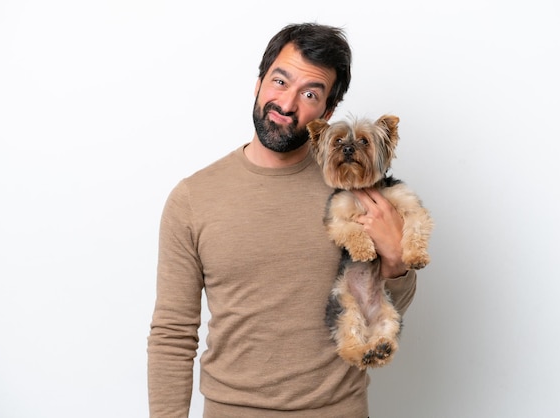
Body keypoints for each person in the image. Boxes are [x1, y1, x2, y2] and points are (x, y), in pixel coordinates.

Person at [147, 22, 418, 417]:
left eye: (310, 93)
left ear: (326, 113)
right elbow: (173, 335)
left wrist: (397, 263)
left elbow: (382, 306)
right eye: (279, 81)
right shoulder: (193, 198)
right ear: (258, 83)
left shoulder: (355, 188)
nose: (287, 104)